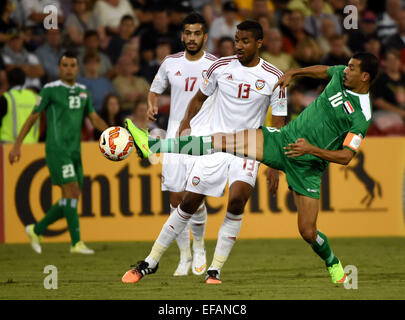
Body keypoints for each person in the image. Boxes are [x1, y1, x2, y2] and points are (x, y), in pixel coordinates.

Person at [126, 52, 379, 284]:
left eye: (352, 68)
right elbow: (323, 70)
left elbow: (346, 156)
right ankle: (152, 145)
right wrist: (294, 72)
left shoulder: (362, 115)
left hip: (308, 166)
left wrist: (311, 150)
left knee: (308, 231)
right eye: (347, 66)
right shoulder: (339, 74)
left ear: (364, 76)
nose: (346, 70)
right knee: (221, 141)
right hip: (282, 140)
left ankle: (332, 262)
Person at [122, 20, 287, 285]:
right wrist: (186, 123)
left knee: (236, 201)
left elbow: (279, 122)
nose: (239, 46)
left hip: (248, 150)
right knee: (187, 203)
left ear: (259, 43)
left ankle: (215, 270)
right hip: (215, 145)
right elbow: (198, 98)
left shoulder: (275, 76)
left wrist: (275, 164)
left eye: (245, 41)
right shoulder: (220, 67)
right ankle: (149, 262)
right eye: (236, 40)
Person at [8, 51, 109, 254]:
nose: (69, 68)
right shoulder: (49, 90)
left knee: (71, 197)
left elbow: (94, 117)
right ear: (59, 68)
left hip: (75, 150)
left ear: (77, 68)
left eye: (73, 65)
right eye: (65, 65)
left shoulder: (83, 91)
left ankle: (36, 229)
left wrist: (111, 132)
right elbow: (32, 117)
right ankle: (76, 243)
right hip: (56, 149)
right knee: (71, 192)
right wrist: (17, 144)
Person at [143, 13, 217, 277]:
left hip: (201, 139)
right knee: (176, 198)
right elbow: (155, 90)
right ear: (183, 36)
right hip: (174, 138)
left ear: (204, 37)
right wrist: (152, 103)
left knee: (194, 197)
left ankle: (199, 248)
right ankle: (184, 256)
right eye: (188, 33)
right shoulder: (170, 62)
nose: (192, 38)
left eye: (197, 33)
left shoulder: (215, 65)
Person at [0, 68, 38, 143]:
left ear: (8, 80)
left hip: (8, 145)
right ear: (24, 80)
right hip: (32, 145)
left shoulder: (5, 98)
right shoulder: (37, 98)